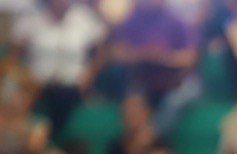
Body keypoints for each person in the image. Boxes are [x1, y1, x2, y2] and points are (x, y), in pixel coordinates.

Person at [11, 0, 107, 138]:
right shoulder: (31, 19)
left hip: (72, 86)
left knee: (63, 111)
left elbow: (103, 50)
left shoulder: (84, 18)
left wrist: (90, 76)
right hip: (36, 87)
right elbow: (14, 54)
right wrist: (23, 79)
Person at [104, 0, 201, 137]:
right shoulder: (131, 22)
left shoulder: (177, 21)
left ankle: (149, 139)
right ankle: (132, 143)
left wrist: (162, 57)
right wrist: (142, 54)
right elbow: (116, 52)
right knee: (132, 102)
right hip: (144, 80)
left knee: (175, 102)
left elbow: (190, 58)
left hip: (177, 81)